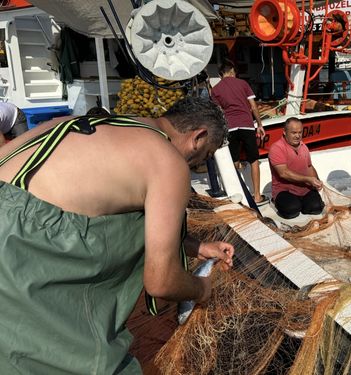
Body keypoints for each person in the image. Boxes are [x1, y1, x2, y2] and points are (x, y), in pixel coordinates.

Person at [0, 97, 234, 374]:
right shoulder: (168, 161)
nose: (198, 165)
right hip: (20, 262)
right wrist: (202, 289)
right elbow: (161, 282)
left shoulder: (98, 125)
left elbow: (89, 202)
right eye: (206, 156)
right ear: (199, 136)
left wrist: (199, 248)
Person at [211, 60, 267, 205]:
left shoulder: (215, 90)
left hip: (230, 128)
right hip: (247, 126)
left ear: (220, 74)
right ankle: (257, 196)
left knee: (234, 161)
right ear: (232, 71)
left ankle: (239, 195)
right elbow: (253, 107)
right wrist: (259, 125)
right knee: (254, 160)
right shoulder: (243, 84)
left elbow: (218, 113)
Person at [269, 117, 324, 219]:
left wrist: (317, 181)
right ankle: (276, 200)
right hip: (284, 190)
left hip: (304, 189)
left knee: (317, 208)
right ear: (284, 132)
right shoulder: (276, 148)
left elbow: (309, 167)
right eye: (294, 133)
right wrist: (308, 179)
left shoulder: (304, 147)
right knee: (292, 211)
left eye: (300, 132)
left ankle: (301, 203)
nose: (298, 136)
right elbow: (283, 173)